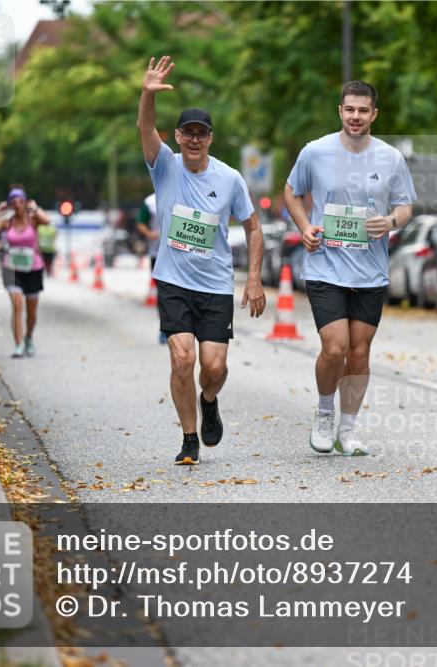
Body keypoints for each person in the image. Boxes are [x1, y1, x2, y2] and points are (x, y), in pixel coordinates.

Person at [138, 55, 266, 465]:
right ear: (176, 136)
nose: (194, 140)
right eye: (188, 133)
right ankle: (189, 439)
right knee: (182, 359)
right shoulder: (165, 168)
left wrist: (254, 280)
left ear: (210, 139)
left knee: (212, 368)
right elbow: (144, 127)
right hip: (174, 281)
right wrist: (147, 94)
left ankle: (209, 399)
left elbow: (254, 227)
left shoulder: (230, 178)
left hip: (214, 286)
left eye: (202, 134)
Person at [284, 80, 416, 457]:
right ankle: (325, 414)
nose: (355, 116)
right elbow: (291, 192)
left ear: (374, 114)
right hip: (325, 266)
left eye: (363, 110)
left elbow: (405, 206)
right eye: (349, 109)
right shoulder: (315, 152)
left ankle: (349, 429)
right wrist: (305, 226)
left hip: (370, 271)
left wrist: (391, 222)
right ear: (340, 111)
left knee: (359, 354)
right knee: (335, 348)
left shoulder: (390, 158)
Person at [0, 187, 52, 358]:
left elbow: (48, 220)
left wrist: (35, 208)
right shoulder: (8, 222)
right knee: (17, 305)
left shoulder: (33, 219)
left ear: (25, 202)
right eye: (13, 202)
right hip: (12, 268)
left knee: (32, 312)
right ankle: (18, 344)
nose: (17, 205)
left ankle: (28, 338)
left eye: (21, 201)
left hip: (33, 268)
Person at [135, 192, 166, 343]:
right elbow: (140, 222)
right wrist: (149, 234)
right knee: (164, 292)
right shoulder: (150, 202)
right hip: (158, 253)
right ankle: (165, 329)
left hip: (182, 252)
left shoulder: (184, 192)